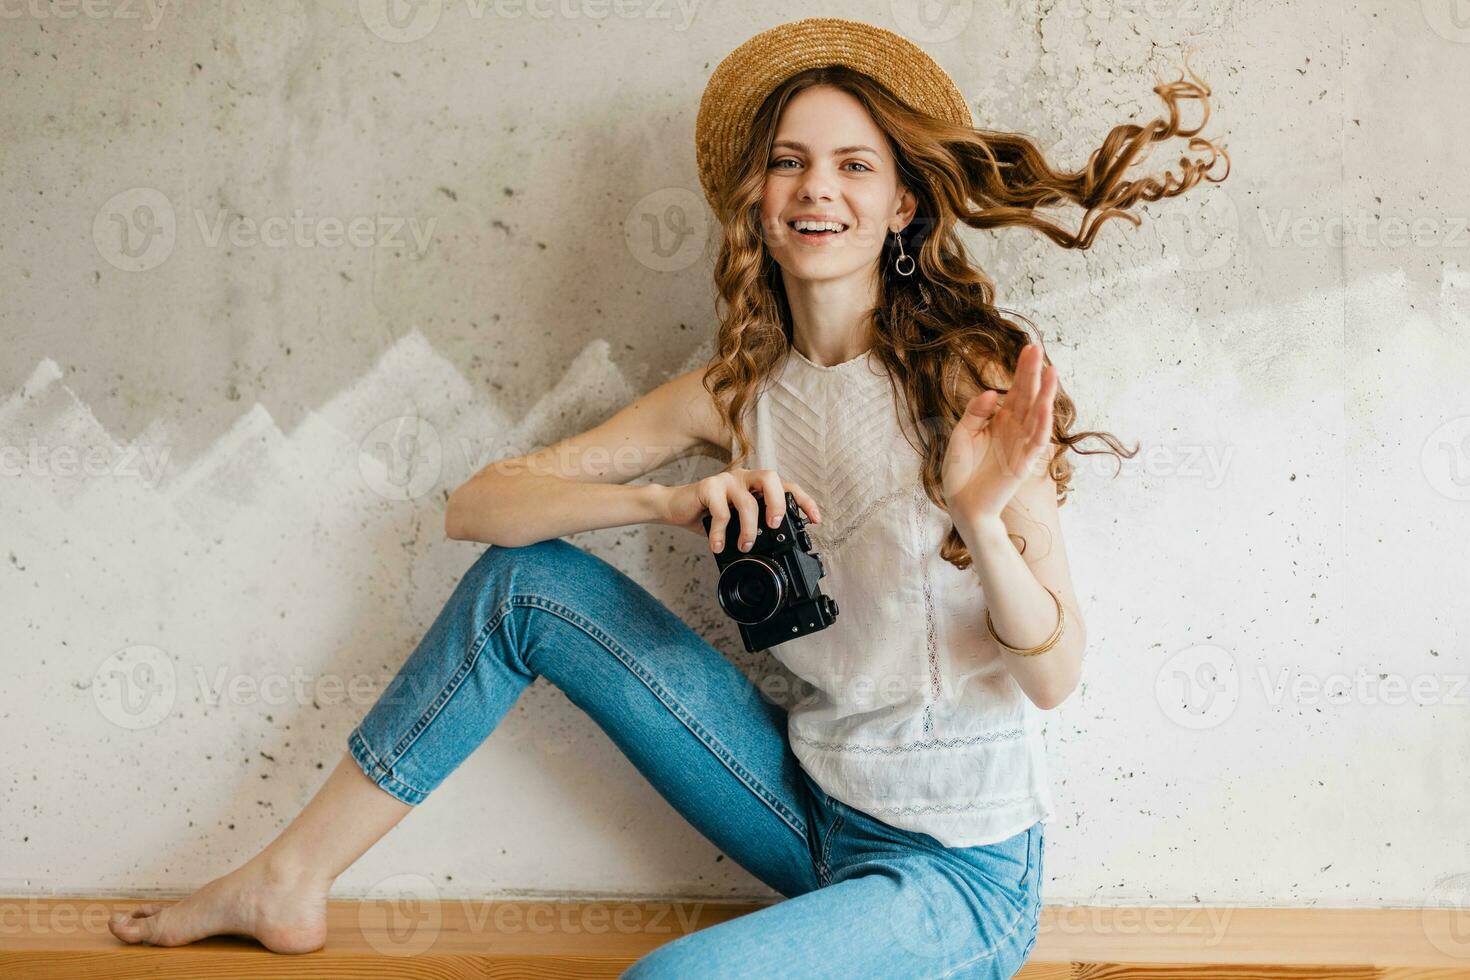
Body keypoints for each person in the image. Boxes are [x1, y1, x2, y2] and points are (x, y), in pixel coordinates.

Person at [107, 16, 1228, 977]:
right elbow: (478, 509)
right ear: (758, 198)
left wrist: (981, 518)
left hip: (963, 873)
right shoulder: (734, 393)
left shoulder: (969, 384)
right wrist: (664, 505)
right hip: (808, 805)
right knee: (525, 584)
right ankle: (286, 879)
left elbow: (1055, 674)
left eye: (852, 165)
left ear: (900, 206)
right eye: (789, 162)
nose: (816, 188)